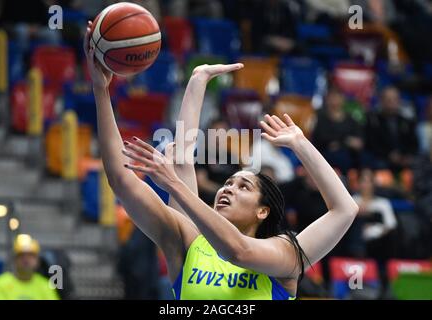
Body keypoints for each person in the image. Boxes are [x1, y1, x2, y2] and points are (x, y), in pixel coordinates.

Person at [84, 21, 358, 299]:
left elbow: (344, 209)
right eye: (228, 183)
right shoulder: (189, 242)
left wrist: (300, 143)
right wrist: (101, 89)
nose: (227, 188)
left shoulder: (283, 254)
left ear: (262, 211)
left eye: (243, 187)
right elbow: (123, 178)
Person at [364, 86, 418, 172]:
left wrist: (407, 156)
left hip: (404, 158)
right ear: (381, 101)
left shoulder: (407, 121)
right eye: (388, 99)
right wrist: (389, 155)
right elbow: (371, 144)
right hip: (382, 158)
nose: (391, 102)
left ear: (399, 101)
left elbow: (414, 144)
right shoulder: (373, 120)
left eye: (394, 99)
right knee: (376, 163)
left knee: (418, 164)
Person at [0, 234, 60, 300]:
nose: (26, 259)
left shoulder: (46, 285)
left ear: (37, 260)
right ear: (14, 259)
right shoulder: (0, 283)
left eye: (30, 255)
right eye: (21, 255)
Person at [312, 87, 364, 173]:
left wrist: (339, 142)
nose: (334, 101)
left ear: (343, 99)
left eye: (337, 97)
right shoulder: (320, 118)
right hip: (325, 154)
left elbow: (358, 142)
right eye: (332, 97)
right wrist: (346, 141)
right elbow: (320, 139)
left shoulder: (351, 120)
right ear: (327, 99)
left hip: (348, 155)